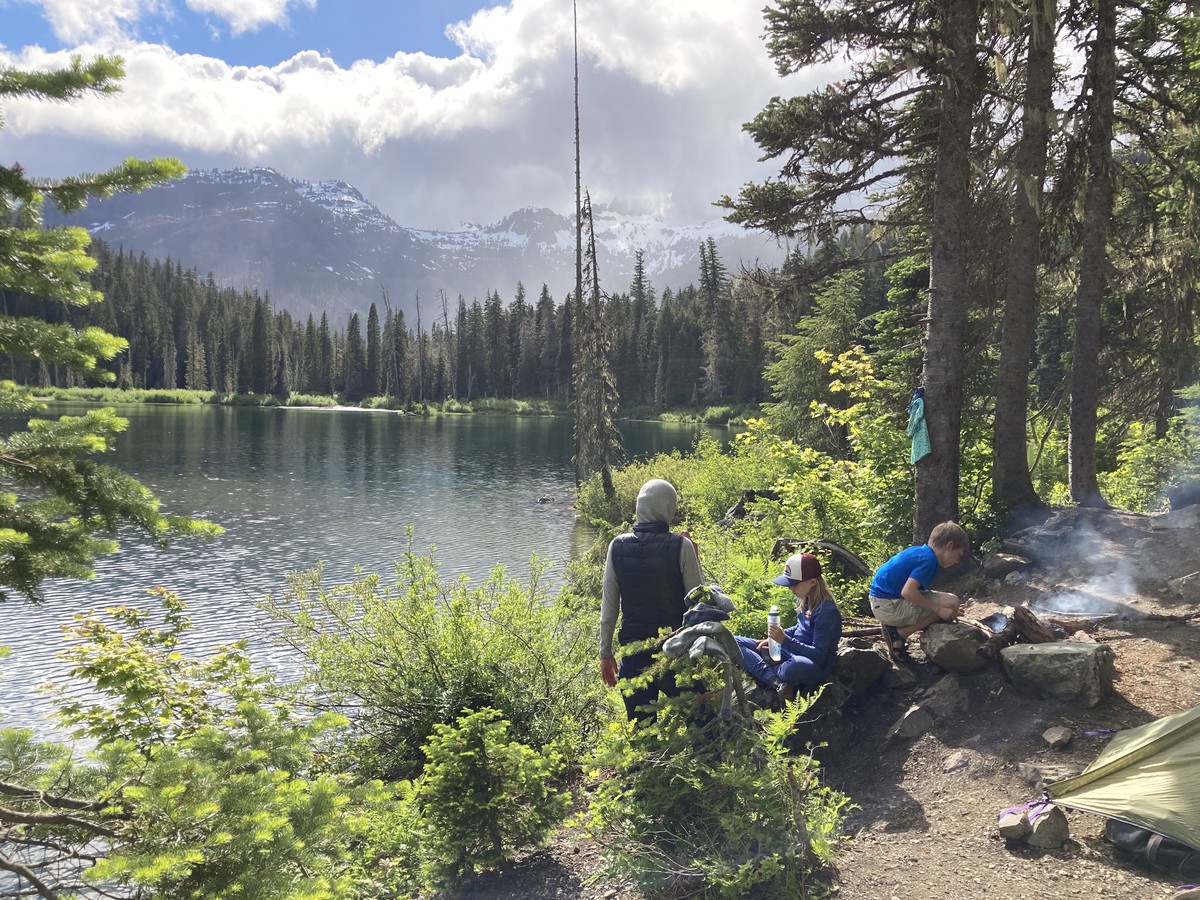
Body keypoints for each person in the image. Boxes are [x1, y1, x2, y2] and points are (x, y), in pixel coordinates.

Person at [599, 478, 703, 720]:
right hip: (676, 652)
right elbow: (700, 605)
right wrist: (695, 559)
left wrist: (605, 653)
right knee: (700, 727)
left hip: (633, 656)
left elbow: (609, 608)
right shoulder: (681, 546)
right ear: (668, 509)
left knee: (643, 736)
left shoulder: (617, 546)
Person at [735, 552, 842, 702]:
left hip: (813, 665)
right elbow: (799, 628)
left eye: (794, 584)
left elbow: (819, 655)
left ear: (812, 582)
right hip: (790, 652)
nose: (791, 589)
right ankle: (775, 679)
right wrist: (773, 639)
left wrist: (784, 641)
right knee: (734, 642)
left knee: (797, 666)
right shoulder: (803, 598)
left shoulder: (826, 611)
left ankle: (769, 671)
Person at [869, 520, 969, 661]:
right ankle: (899, 634)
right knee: (951, 603)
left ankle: (894, 629)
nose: (957, 560)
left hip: (881, 602)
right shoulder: (929, 560)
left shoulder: (920, 552)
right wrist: (939, 609)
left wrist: (942, 606)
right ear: (949, 546)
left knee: (950, 603)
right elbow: (908, 592)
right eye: (958, 555)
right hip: (888, 606)